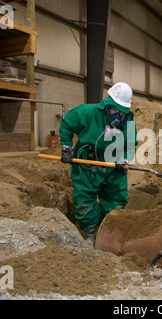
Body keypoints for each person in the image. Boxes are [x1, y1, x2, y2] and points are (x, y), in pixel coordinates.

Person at [59, 82, 137, 247]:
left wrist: (123, 159)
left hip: (113, 166)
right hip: (87, 163)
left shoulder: (129, 122)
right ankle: (90, 232)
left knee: (116, 197)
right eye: (114, 110)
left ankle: (111, 232)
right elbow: (67, 124)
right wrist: (66, 147)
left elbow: (130, 145)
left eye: (121, 112)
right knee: (84, 197)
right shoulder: (87, 112)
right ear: (107, 105)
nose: (117, 115)